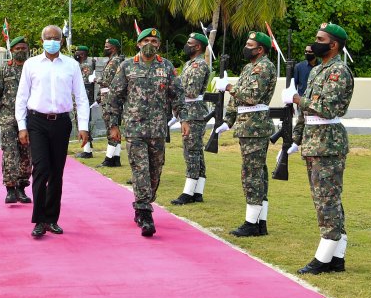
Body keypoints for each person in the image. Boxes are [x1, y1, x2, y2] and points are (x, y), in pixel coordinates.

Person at [284, 23, 354, 274]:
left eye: (320, 38)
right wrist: (296, 137)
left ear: (333, 45)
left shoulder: (338, 71)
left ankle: (324, 257)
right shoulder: (317, 71)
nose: (315, 42)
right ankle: (337, 255)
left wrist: (298, 99)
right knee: (323, 198)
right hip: (314, 141)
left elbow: (327, 108)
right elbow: (306, 111)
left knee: (327, 200)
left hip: (328, 142)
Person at [108, 28, 185, 237]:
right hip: (134, 128)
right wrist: (113, 125)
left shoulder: (166, 66)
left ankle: (144, 204)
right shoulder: (127, 66)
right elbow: (115, 98)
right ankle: (144, 212)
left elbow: (177, 96)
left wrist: (184, 119)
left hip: (158, 130)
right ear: (139, 44)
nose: (150, 43)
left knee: (155, 171)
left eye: (154, 40)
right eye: (146, 40)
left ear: (158, 44)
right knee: (140, 169)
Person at [15, 25, 90, 237]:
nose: (52, 41)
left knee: (57, 172)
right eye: (48, 38)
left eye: (56, 38)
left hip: (61, 123)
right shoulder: (31, 65)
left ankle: (51, 219)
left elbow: (81, 98)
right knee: (40, 170)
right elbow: (21, 97)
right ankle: (39, 220)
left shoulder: (71, 65)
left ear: (62, 41)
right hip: (37, 121)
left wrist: (83, 127)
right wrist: (22, 126)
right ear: (42, 41)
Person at [213, 31, 277, 235]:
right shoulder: (250, 67)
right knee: (256, 173)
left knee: (252, 174)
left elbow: (251, 96)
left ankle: (252, 224)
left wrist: (229, 86)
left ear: (260, 49)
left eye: (250, 44)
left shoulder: (265, 67)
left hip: (255, 127)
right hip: (246, 125)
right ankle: (259, 222)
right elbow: (237, 100)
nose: (246, 47)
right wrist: (228, 120)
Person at [0, 36, 32, 204]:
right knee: (9, 153)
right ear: (12, 51)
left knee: (27, 154)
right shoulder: (4, 70)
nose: (20, 51)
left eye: (23, 48)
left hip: (29, 119)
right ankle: (10, 189)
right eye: (17, 49)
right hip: (8, 118)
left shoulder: (32, 69)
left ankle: (22, 188)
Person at [171, 32, 212, 205]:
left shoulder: (199, 65)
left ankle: (189, 192)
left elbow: (191, 91)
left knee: (191, 152)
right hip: (189, 110)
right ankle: (198, 191)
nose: (186, 45)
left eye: (190, 42)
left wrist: (172, 86)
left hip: (193, 112)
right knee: (196, 151)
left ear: (198, 46)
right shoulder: (190, 64)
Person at [98, 38, 125, 167]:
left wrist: (96, 79)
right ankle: (116, 157)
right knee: (113, 126)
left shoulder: (115, 62)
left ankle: (109, 159)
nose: (105, 48)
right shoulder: (112, 61)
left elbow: (110, 82)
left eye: (107, 46)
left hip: (110, 98)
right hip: (106, 96)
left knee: (111, 126)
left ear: (113, 48)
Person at [73, 45, 94, 159]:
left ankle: (87, 151)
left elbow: (84, 82)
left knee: (84, 123)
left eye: (77, 52)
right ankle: (88, 148)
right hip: (79, 98)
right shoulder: (79, 65)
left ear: (82, 54)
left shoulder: (86, 65)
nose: (75, 54)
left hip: (84, 98)